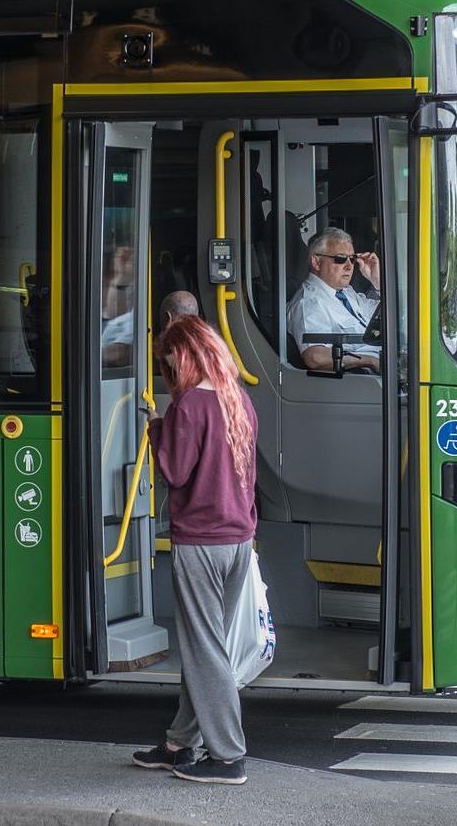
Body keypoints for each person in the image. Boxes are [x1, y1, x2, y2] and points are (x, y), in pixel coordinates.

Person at [132, 315, 257, 784]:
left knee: (205, 652)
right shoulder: (237, 399)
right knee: (208, 644)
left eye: (169, 361)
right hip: (238, 539)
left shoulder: (188, 407)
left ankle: (228, 757)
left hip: (201, 542)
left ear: (183, 356)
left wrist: (158, 431)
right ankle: (179, 744)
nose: (169, 371)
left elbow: (177, 473)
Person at [286, 226, 381, 372]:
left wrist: (377, 282)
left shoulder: (347, 293)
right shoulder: (309, 303)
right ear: (316, 262)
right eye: (340, 259)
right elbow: (315, 357)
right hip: (361, 380)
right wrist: (369, 361)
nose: (349, 266)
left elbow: (388, 315)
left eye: (353, 259)